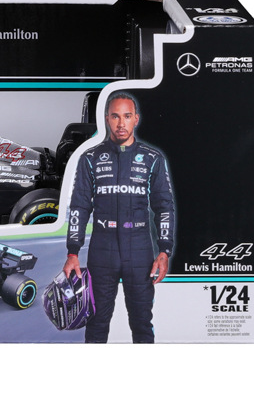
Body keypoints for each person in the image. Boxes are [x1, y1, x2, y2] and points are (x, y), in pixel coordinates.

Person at [63, 92, 175, 343]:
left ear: (136, 119)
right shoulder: (90, 158)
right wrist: (72, 252)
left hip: (139, 249)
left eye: (126, 116)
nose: (121, 123)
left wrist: (164, 251)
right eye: (115, 116)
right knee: (96, 323)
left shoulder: (152, 158)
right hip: (103, 249)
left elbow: (165, 207)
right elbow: (79, 207)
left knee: (142, 323)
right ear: (107, 119)